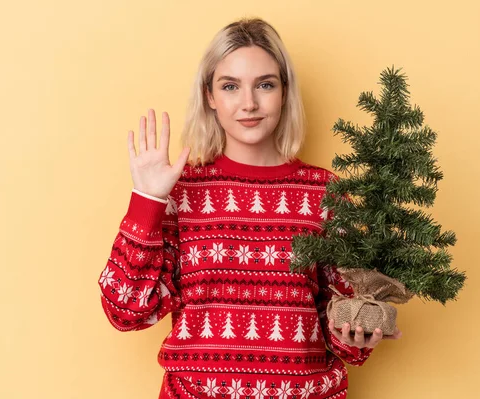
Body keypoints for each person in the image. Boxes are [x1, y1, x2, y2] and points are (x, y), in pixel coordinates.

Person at [97, 17, 402, 398]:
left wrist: (356, 335)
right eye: (230, 86)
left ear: (284, 91)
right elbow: (126, 312)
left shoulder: (324, 192)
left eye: (265, 85)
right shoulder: (181, 192)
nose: (249, 103)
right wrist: (148, 200)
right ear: (210, 96)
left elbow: (340, 327)